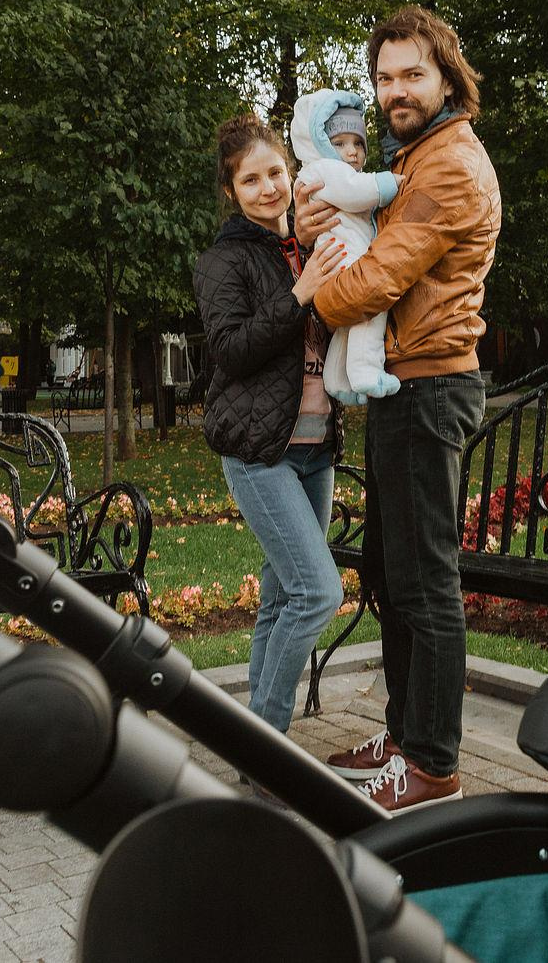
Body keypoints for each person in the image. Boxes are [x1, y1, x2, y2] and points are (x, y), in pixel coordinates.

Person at [297, 5, 501, 813]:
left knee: (425, 582)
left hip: (428, 386)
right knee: (390, 571)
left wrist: (307, 302)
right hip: (401, 388)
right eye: (383, 78)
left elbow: (381, 277)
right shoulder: (415, 157)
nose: (394, 90)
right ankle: (404, 732)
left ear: (447, 76)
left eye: (412, 73)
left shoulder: (449, 163)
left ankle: (434, 765)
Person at [193, 113, 350, 744]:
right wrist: (301, 293)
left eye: (275, 172)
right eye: (250, 179)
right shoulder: (222, 262)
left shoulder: (310, 244)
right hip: (262, 456)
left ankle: (250, 739)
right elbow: (230, 351)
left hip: (317, 447)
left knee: (282, 599)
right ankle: (269, 749)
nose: (267, 188)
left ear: (292, 173)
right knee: (317, 593)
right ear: (231, 191)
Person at [287, 87, 403, 405]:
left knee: (347, 325)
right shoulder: (324, 170)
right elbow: (356, 191)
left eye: (357, 144)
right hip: (343, 258)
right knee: (371, 307)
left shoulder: (327, 170)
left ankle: (338, 378)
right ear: (321, 143)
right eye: (339, 144)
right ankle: (366, 372)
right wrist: (388, 183)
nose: (352, 152)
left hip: (336, 258)